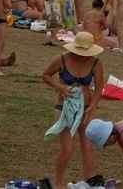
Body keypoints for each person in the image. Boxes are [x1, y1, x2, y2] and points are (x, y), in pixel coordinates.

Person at [43, 31, 105, 189]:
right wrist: (60, 87)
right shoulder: (62, 59)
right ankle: (58, 183)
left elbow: (99, 88)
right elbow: (46, 75)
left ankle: (89, 180)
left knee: (87, 144)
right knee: (67, 148)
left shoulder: (95, 63)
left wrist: (93, 106)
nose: (84, 55)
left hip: (85, 108)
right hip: (64, 108)